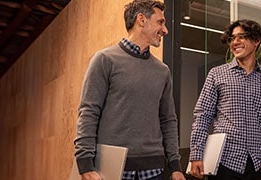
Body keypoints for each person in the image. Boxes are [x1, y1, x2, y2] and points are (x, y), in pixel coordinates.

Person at [73, 1, 185, 180]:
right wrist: (85, 162)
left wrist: (175, 166)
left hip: (154, 171)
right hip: (111, 169)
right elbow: (88, 112)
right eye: (160, 22)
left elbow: (168, 120)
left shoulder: (162, 71)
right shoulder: (104, 60)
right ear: (141, 20)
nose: (165, 30)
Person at [188, 19, 261, 180]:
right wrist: (196, 154)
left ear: (256, 40)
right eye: (232, 38)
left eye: (241, 37)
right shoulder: (216, 74)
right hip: (225, 162)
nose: (235, 42)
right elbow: (202, 116)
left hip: (259, 163)